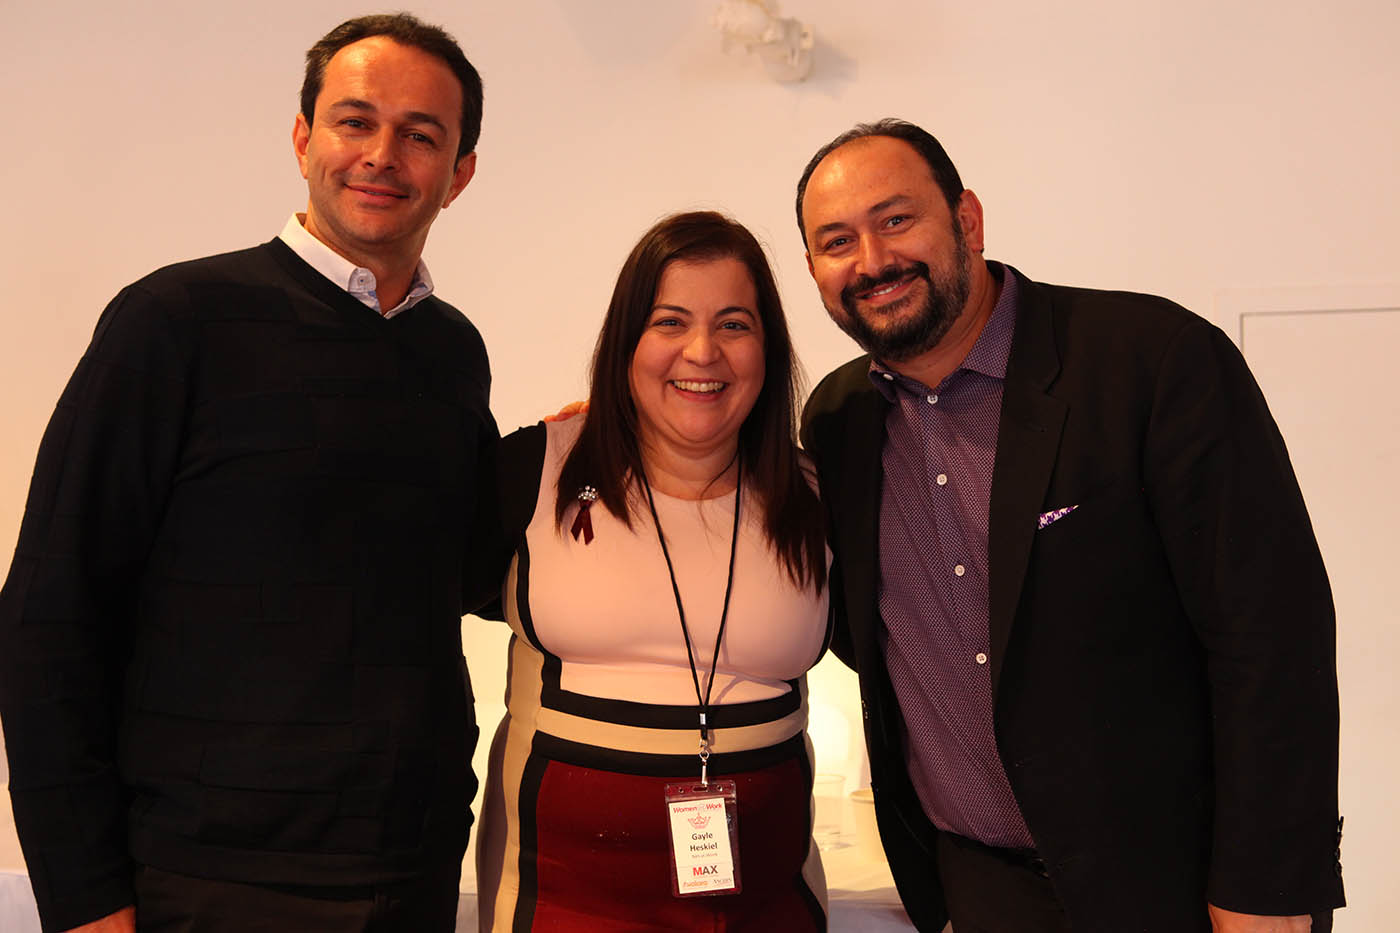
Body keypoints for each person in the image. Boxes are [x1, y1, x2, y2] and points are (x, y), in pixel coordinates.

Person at [0, 14, 494, 932]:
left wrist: (604, 447)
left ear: (459, 173)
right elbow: (49, 611)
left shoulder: (452, 352)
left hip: (410, 867)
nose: (382, 155)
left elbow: (466, 568)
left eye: (421, 135)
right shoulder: (173, 322)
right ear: (303, 138)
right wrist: (85, 894)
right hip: (209, 880)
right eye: (355, 121)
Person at [795, 119, 1344, 933]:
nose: (872, 260)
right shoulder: (838, 421)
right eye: (837, 241)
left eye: (896, 219)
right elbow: (869, 632)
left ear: (967, 220)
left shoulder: (1152, 361)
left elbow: (1272, 637)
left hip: (1187, 886)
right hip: (984, 889)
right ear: (814, 270)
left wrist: (1268, 886)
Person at [470, 211, 832, 931]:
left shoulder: (820, 495)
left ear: (769, 347)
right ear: (626, 341)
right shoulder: (534, 471)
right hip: (560, 903)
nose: (702, 352)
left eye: (734, 324)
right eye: (670, 322)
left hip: (768, 905)